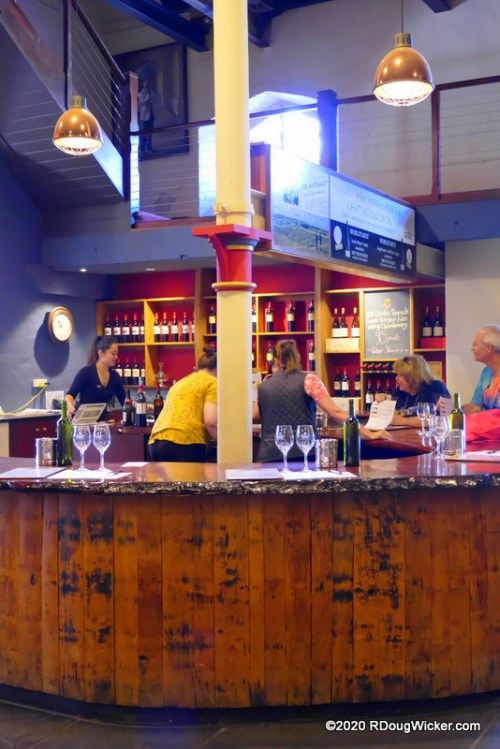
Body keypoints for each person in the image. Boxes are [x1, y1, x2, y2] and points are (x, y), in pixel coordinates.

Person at [253, 339, 388, 462]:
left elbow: (254, 415)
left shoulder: (264, 386)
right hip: (304, 452)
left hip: (269, 454)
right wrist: (369, 434)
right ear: (298, 357)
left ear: (276, 360)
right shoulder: (309, 380)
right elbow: (335, 412)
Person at [148, 346, 217, 462]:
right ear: (218, 369)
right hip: (185, 442)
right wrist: (225, 448)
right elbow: (211, 422)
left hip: (156, 442)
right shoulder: (213, 382)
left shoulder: (182, 381)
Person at [66, 335, 126, 420]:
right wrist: (70, 406)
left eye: (116, 354)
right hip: (83, 422)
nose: (116, 357)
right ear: (101, 353)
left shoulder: (115, 376)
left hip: (103, 423)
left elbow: (124, 400)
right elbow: (70, 395)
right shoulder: (86, 373)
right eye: (113, 354)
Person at [390, 354, 450, 427]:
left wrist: (402, 421)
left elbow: (437, 420)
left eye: (400, 375)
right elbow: (390, 416)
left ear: (412, 376)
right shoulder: (400, 391)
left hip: (429, 434)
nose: (396, 378)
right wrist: (381, 402)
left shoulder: (436, 387)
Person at [462, 325, 500, 413]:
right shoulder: (486, 372)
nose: (472, 348)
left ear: (489, 348)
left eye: (475, 345)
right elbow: (475, 407)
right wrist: (450, 407)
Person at [138, 80, 155, 157]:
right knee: (143, 134)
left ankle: (149, 148)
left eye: (147, 84)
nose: (146, 85)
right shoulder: (141, 93)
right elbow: (142, 102)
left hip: (151, 114)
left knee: (150, 133)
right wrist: (148, 97)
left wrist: (152, 100)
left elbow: (155, 100)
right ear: (143, 84)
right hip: (144, 116)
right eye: (145, 84)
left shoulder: (151, 92)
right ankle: (142, 150)